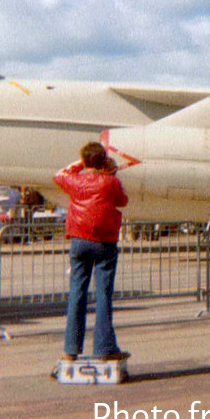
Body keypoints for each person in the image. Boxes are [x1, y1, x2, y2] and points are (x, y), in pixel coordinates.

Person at [55, 142, 130, 362]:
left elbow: (59, 174)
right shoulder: (111, 182)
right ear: (104, 160)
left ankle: (70, 349)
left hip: (79, 240)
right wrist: (110, 170)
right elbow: (122, 201)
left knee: (77, 293)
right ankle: (104, 348)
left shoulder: (75, 181)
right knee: (103, 295)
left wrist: (83, 162)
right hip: (104, 242)